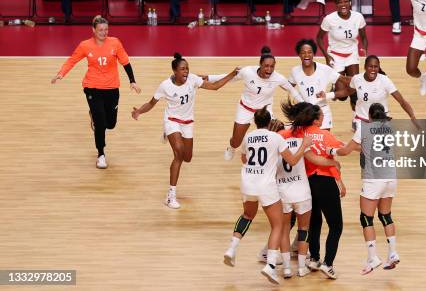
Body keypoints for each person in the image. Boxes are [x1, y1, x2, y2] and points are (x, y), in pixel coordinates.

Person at [130, 53, 238, 209]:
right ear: (175, 71)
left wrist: (232, 74)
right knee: (179, 153)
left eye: (187, 68)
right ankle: (170, 195)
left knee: (188, 157)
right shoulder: (165, 85)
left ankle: (170, 135)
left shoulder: (193, 79)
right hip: (172, 120)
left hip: (187, 122)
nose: (186, 71)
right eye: (182, 69)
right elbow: (151, 103)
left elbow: (215, 87)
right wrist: (139, 111)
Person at [223, 108, 312, 284]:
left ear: (255, 121)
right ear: (269, 120)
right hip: (266, 185)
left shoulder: (248, 137)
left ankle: (232, 249)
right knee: (278, 224)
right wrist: (304, 145)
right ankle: (270, 265)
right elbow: (292, 161)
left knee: (247, 215)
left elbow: (244, 159)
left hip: (247, 182)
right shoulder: (276, 138)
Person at [51, 15, 141, 169]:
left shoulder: (115, 43)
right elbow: (72, 60)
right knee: (100, 124)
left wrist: (132, 81)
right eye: (100, 30)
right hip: (92, 87)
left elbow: (125, 62)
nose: (104, 32)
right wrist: (61, 73)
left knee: (110, 124)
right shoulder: (85, 45)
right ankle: (101, 154)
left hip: (112, 88)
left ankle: (94, 116)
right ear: (93, 30)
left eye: (106, 29)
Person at [329, 103, 401, 274]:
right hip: (391, 177)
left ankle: (372, 257)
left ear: (369, 116)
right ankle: (392, 253)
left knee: (366, 218)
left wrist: (332, 150)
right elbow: (372, 147)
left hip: (374, 178)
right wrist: (355, 147)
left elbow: (345, 152)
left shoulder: (364, 127)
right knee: (385, 216)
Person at [272, 101, 342, 278]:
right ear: (316, 119)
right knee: (335, 225)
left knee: (313, 223)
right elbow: (334, 153)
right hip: (319, 183)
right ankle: (327, 264)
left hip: (302, 185)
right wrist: (336, 168)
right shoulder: (322, 135)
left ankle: (311, 259)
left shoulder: (289, 133)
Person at [207, 46, 304, 161]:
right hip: (245, 109)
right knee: (236, 141)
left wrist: (305, 104)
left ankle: (272, 156)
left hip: (264, 112)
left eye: (272, 66)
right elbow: (229, 78)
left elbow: (292, 91)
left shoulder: (278, 78)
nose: (269, 69)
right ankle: (232, 148)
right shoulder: (248, 72)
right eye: (266, 66)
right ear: (260, 64)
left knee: (276, 133)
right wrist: (208, 77)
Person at [328, 55, 419, 136]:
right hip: (362, 119)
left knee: (382, 148)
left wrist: (413, 117)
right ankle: (356, 130)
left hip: (381, 119)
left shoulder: (385, 80)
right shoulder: (357, 79)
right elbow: (347, 91)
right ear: (365, 67)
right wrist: (327, 95)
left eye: (376, 67)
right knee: (367, 146)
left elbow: (402, 101)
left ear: (379, 68)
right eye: (370, 66)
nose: (373, 69)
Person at [316, 0, 367, 120]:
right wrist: (327, 56)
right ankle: (335, 87)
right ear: (336, 5)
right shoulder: (329, 19)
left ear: (350, 3)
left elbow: (364, 37)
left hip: (352, 54)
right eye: (339, 2)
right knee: (342, 96)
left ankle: (356, 119)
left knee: (354, 89)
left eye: (345, 1)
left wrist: (365, 48)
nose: (343, 4)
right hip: (335, 56)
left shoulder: (358, 17)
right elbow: (319, 38)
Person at [289, 39, 350, 130]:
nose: (306, 55)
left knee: (323, 142)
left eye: (309, 52)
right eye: (303, 52)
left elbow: (345, 80)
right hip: (305, 112)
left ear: (313, 54)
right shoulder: (295, 71)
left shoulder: (324, 69)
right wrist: (299, 98)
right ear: (299, 54)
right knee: (306, 143)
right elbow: (289, 87)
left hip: (322, 111)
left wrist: (363, 79)